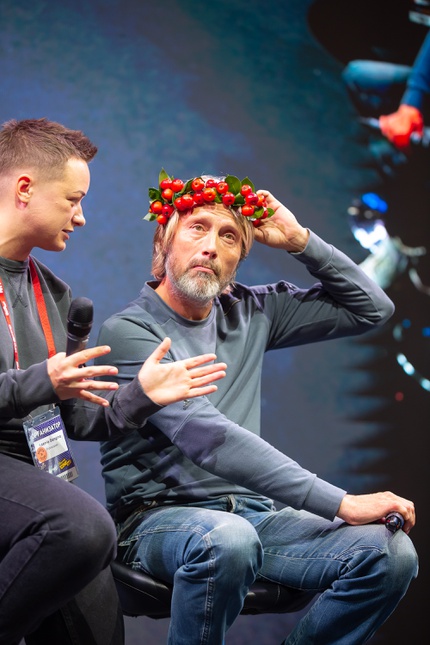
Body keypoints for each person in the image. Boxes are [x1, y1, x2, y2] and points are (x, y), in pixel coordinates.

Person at [96, 172, 419, 644]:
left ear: (239, 259)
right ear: (164, 239)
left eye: (229, 236)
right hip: (155, 521)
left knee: (390, 555)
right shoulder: (130, 330)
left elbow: (372, 308)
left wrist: (300, 241)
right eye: (197, 228)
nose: (211, 247)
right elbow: (209, 437)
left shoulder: (251, 311)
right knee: (227, 538)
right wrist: (341, 503)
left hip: (255, 517)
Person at [0, 121, 227, 645]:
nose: (81, 217)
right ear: (25, 189)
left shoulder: (53, 293)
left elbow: (78, 420)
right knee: (81, 528)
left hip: (34, 472)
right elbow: (36, 386)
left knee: (97, 605)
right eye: (73, 200)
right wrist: (36, 381)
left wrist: (140, 396)